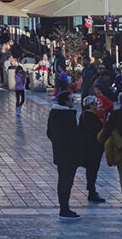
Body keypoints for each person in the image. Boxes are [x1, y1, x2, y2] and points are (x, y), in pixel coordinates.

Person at [46, 91, 82, 221]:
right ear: (66, 102)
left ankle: (64, 207)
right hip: (70, 154)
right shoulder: (68, 116)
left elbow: (49, 133)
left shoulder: (54, 113)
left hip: (59, 153)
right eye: (71, 99)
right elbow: (74, 136)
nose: (73, 101)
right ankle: (64, 209)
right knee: (67, 181)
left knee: (62, 179)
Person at [77, 96, 106, 203]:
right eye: (95, 103)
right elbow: (96, 130)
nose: (96, 105)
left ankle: (92, 190)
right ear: (90, 105)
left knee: (92, 170)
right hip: (91, 148)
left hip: (92, 147)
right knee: (92, 170)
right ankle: (91, 192)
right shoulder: (88, 116)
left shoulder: (88, 115)